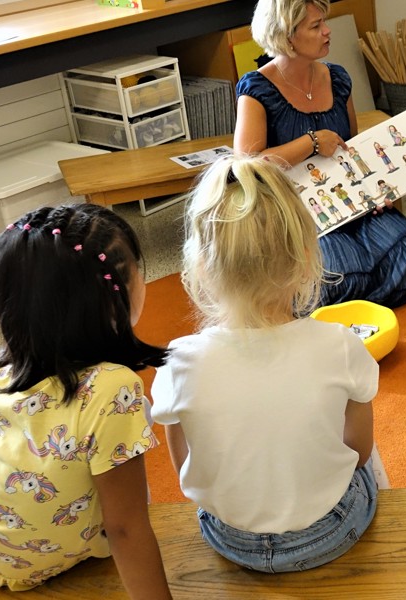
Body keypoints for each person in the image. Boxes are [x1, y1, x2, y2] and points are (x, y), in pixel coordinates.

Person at [150, 156, 379, 573]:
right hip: (329, 530)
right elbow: (359, 453)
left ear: (201, 267)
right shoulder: (339, 344)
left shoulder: (177, 361)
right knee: (366, 463)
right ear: (307, 259)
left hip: (229, 535)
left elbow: (185, 468)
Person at [0, 204, 172, 597]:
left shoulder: (0, 371)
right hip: (44, 561)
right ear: (113, 297)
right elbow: (125, 528)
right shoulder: (113, 389)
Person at [234, 0, 406, 308]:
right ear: (287, 36)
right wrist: (311, 142)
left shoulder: (337, 78)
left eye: (324, 22)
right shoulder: (256, 88)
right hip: (296, 212)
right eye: (316, 26)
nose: (327, 31)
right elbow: (247, 165)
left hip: (348, 201)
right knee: (340, 279)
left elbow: (352, 147)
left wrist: (376, 190)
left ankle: (356, 300)